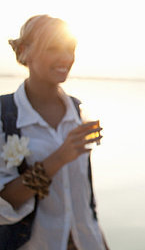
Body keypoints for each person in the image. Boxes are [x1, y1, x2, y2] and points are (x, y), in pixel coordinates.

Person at [0, 15, 105, 249]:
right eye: (53, 48)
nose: (66, 58)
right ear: (25, 51)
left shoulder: (80, 111)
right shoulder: (4, 115)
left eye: (70, 49)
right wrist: (59, 157)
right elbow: (4, 202)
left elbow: (84, 196)